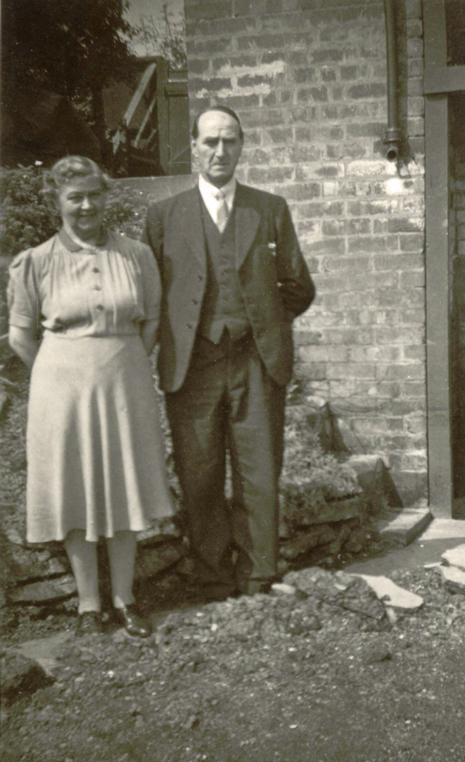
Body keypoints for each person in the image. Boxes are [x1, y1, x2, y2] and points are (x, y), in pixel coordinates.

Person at [143, 105, 315, 600]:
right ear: (193, 147)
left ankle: (260, 573)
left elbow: (298, 286)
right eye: (211, 142)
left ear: (242, 147)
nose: (221, 151)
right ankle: (212, 576)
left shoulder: (270, 209)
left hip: (255, 361)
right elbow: (151, 294)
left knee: (259, 470)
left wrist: (261, 322)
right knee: (199, 473)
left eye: (230, 141)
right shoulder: (162, 216)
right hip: (191, 365)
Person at [8, 156, 175, 637]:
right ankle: (87, 606)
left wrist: (120, 361)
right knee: (74, 488)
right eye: (74, 196)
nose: (85, 205)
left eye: (93, 194)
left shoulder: (137, 256)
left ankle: (124, 598)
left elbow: (152, 321)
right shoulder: (35, 262)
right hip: (59, 388)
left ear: (106, 195)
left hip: (125, 381)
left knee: (124, 485)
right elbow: (21, 337)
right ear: (56, 201)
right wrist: (64, 369)